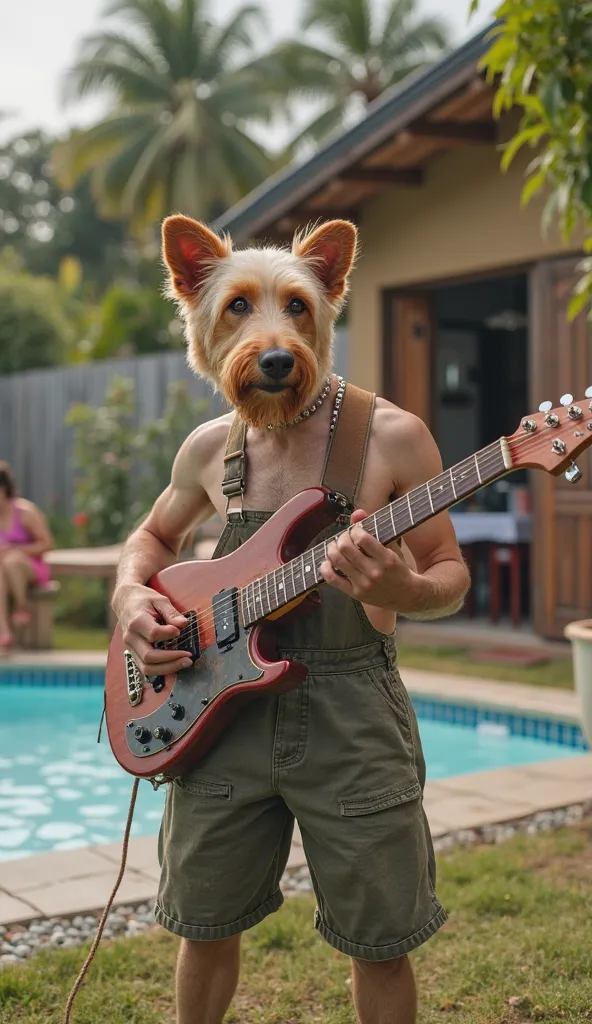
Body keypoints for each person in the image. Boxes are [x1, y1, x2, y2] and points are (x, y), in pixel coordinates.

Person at [112, 216, 470, 1024]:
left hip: (352, 718)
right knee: (202, 927)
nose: (274, 340)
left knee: (380, 939)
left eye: (297, 309)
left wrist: (407, 591)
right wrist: (134, 597)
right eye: (238, 308)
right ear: (199, 317)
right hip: (217, 715)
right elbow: (151, 539)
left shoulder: (391, 437)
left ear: (327, 307)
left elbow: (450, 574)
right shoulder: (209, 450)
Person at [0, 461, 54, 651]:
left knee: (11, 560)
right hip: (3, 574)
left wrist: (16, 549)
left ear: (4, 489)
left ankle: (21, 607)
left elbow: (46, 543)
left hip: (30, 568)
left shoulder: (25, 512)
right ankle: (4, 631)